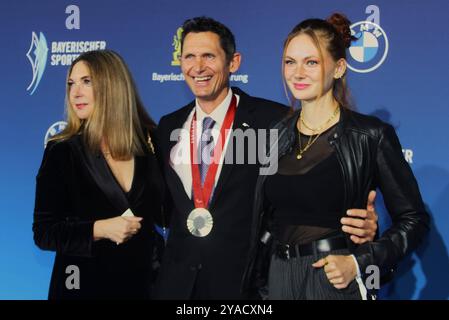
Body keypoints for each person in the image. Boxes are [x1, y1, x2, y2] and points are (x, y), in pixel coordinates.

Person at [154, 16, 378, 300]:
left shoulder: (273, 122)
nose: (198, 67)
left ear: (233, 62)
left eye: (209, 56)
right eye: (189, 57)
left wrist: (363, 228)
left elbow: (304, 196)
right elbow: (158, 204)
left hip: (244, 286)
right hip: (177, 285)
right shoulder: (168, 126)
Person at [243, 13, 430, 300]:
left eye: (312, 62)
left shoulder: (370, 135)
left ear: (339, 68)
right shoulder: (275, 134)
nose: (298, 73)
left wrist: (360, 263)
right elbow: (266, 217)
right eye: (290, 62)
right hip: (278, 278)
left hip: (334, 278)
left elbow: (413, 219)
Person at [33, 50, 165, 299]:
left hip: (141, 286)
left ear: (113, 86)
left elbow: (167, 214)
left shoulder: (151, 143)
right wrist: (100, 229)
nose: (75, 92)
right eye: (71, 83)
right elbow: (44, 233)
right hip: (82, 287)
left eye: (87, 82)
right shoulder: (62, 151)